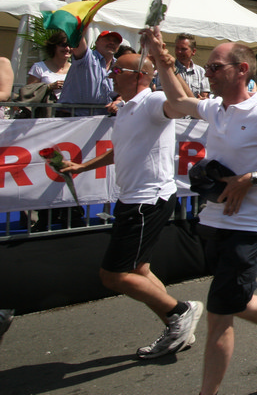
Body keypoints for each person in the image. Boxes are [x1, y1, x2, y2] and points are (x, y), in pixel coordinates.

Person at [141, 28, 257, 395]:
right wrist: (161, 56)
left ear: (241, 70)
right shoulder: (215, 108)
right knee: (236, 302)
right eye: (207, 67)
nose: (208, 72)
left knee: (219, 315)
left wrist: (251, 179)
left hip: (249, 227)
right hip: (214, 221)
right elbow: (177, 99)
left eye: (215, 67)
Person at [61, 53, 203, 359]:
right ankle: (178, 327)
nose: (110, 74)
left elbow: (181, 105)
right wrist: (81, 166)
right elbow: (119, 150)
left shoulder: (153, 100)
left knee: (113, 275)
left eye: (117, 70)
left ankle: (181, 311)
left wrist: (165, 63)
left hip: (147, 200)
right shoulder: (125, 108)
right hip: (133, 199)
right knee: (139, 270)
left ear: (138, 75)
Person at [58, 30, 120, 115]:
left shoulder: (119, 66)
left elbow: (126, 90)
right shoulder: (86, 57)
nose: (112, 43)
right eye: (107, 39)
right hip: (73, 116)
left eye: (115, 41)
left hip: (103, 118)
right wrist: (81, 27)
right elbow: (78, 38)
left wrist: (118, 101)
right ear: (97, 42)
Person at [155, 33, 210, 99]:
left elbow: (205, 97)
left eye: (183, 49)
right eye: (177, 48)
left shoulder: (200, 71)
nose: (179, 51)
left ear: (193, 51)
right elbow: (161, 95)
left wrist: (202, 99)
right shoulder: (166, 69)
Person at [27, 30, 71, 99]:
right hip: (47, 105)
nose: (67, 48)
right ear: (54, 47)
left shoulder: (75, 69)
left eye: (70, 45)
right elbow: (29, 91)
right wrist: (49, 87)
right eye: (63, 45)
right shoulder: (39, 67)